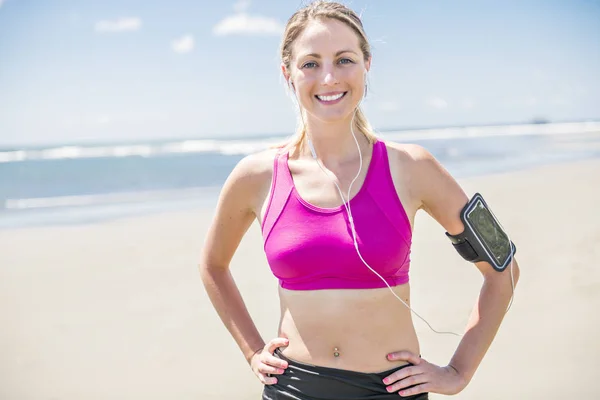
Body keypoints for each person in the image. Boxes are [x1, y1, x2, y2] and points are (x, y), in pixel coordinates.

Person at [199, 1, 520, 399]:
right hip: (293, 388)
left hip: (389, 390)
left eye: (344, 59)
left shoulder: (413, 167)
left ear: (367, 64)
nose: (329, 77)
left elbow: (503, 268)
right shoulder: (256, 175)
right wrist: (251, 350)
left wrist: (458, 371)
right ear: (288, 75)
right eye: (311, 63)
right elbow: (213, 265)